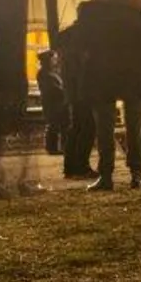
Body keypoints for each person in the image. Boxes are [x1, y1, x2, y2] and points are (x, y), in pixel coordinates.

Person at [71, 0, 141, 190]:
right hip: (132, 76)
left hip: (101, 76)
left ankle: (106, 176)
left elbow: (78, 41)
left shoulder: (90, 10)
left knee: (104, 128)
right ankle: (136, 174)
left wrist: (87, 58)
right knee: (134, 127)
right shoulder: (134, 10)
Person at [54, 26, 97, 180]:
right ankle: (81, 166)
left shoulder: (66, 54)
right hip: (81, 96)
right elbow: (81, 75)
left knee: (76, 129)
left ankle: (70, 167)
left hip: (74, 96)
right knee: (87, 128)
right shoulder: (76, 54)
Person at [36, 49, 66, 155]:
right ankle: (51, 147)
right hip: (51, 102)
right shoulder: (44, 73)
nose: (55, 61)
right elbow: (53, 89)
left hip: (56, 102)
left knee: (55, 124)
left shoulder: (51, 72)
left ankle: (54, 146)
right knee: (53, 124)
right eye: (53, 59)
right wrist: (63, 90)